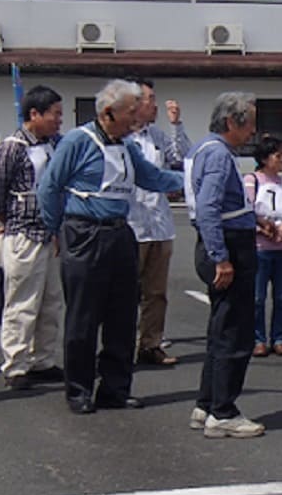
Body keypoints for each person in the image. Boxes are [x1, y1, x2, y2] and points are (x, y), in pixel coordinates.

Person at [37, 79, 182, 414]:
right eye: (131, 112)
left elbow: (152, 178)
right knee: (84, 317)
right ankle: (79, 390)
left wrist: (195, 179)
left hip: (120, 233)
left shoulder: (127, 146)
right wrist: (55, 229)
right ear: (107, 113)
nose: (137, 118)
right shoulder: (78, 141)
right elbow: (50, 187)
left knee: (121, 316)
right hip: (85, 232)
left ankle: (115, 388)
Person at [185, 91, 264, 439]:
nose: (253, 133)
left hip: (223, 241)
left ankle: (206, 404)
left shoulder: (202, 149)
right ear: (232, 122)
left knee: (220, 329)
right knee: (235, 331)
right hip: (229, 247)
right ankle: (224, 411)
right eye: (250, 125)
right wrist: (222, 257)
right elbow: (208, 207)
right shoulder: (219, 155)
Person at [0, 85, 66, 391]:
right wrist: (9, 222)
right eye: (55, 114)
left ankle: (42, 359)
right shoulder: (13, 146)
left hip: (49, 234)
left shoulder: (53, 144)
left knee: (51, 301)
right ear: (35, 114)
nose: (59, 120)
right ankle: (16, 365)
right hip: (24, 233)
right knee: (22, 302)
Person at [126, 77, 192, 368]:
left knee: (156, 293)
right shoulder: (121, 139)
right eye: (150, 99)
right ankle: (122, 346)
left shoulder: (157, 136)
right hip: (130, 225)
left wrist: (176, 125)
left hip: (159, 224)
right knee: (126, 292)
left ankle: (150, 344)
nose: (155, 105)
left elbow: (182, 158)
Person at [245, 136, 282, 358]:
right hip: (260, 247)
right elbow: (247, 209)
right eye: (278, 156)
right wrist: (264, 230)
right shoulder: (252, 180)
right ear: (265, 158)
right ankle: (258, 339)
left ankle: (279, 338)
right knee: (257, 297)